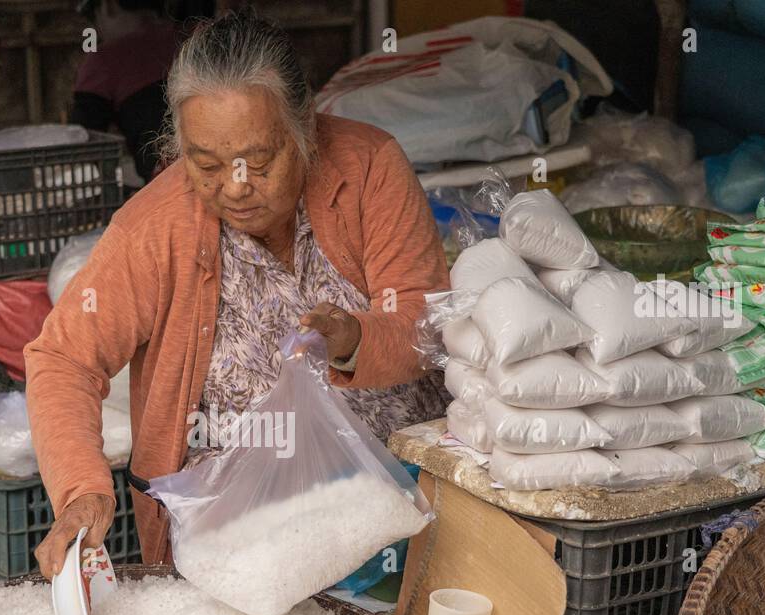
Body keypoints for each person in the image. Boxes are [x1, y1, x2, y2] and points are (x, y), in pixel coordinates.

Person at [26, 8, 449, 578]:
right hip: (238, 535)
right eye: (208, 165)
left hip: (397, 503)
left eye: (262, 160)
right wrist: (82, 490)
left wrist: (356, 338)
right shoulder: (153, 227)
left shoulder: (368, 167)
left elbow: (428, 321)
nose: (237, 186)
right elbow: (63, 358)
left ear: (304, 125)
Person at [70, 0, 180, 182]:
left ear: (108, 6)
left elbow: (81, 139)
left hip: (166, 182)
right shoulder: (191, 36)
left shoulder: (102, 61)